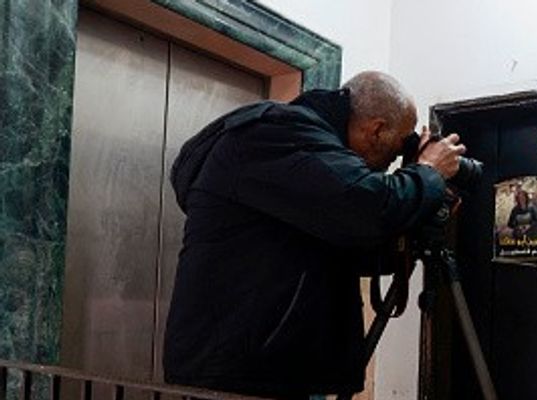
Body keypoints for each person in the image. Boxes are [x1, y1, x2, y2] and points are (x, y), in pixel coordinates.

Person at [163, 71, 465, 398]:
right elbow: (367, 209)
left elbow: (358, 247)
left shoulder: (307, 159)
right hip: (238, 375)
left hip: (263, 368)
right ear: (376, 130)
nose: (392, 160)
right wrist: (429, 173)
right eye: (396, 149)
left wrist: (415, 211)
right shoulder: (279, 133)